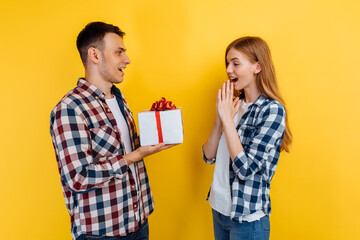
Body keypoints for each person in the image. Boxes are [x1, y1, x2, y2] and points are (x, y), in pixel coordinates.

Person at [50, 21, 175, 240]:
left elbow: (122, 147)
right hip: (102, 233)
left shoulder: (118, 98)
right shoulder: (70, 109)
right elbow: (79, 177)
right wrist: (135, 156)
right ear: (95, 55)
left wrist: (155, 134)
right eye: (119, 52)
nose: (127, 60)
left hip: (138, 221)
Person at [202, 36, 292, 240]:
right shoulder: (233, 104)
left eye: (235, 63)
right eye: (227, 64)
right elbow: (208, 155)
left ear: (257, 67)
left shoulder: (272, 111)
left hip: (247, 219)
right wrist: (219, 119)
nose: (228, 70)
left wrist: (227, 119)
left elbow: (246, 169)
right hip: (219, 209)